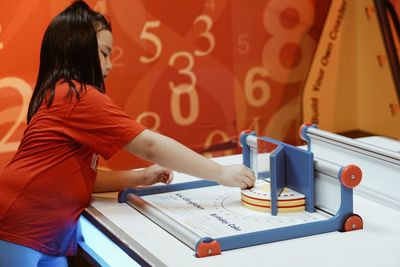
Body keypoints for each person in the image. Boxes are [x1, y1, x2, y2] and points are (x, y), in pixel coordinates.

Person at [0, 1, 255, 266]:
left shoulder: (61, 93)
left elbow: (78, 179)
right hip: (19, 228)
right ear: (77, 49)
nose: (110, 65)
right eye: (104, 53)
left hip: (42, 233)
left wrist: (141, 177)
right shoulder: (78, 97)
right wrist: (219, 173)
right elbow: (149, 145)